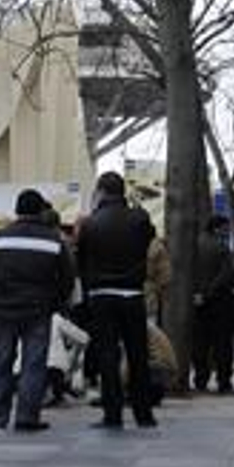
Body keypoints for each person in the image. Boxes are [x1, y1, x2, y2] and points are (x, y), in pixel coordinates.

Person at [0, 189, 73, 432]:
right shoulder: (53, 240)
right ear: (41, 210)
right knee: (33, 364)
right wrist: (55, 304)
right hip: (38, 311)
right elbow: (67, 278)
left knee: (1, 362)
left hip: (3, 311)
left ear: (17, 210)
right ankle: (27, 416)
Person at [78, 171, 158, 429]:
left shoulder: (90, 224)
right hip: (133, 294)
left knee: (107, 357)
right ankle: (143, 414)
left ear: (100, 192)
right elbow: (148, 244)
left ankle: (112, 414)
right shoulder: (140, 219)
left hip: (102, 296)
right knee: (138, 356)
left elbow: (82, 262)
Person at [192, 214, 234, 393]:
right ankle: (223, 380)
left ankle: (200, 379)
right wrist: (210, 292)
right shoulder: (221, 247)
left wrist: (199, 293)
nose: (227, 232)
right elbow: (226, 275)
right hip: (220, 301)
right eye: (226, 228)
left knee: (200, 343)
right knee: (222, 344)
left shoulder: (194, 245)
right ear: (218, 228)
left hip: (197, 301)